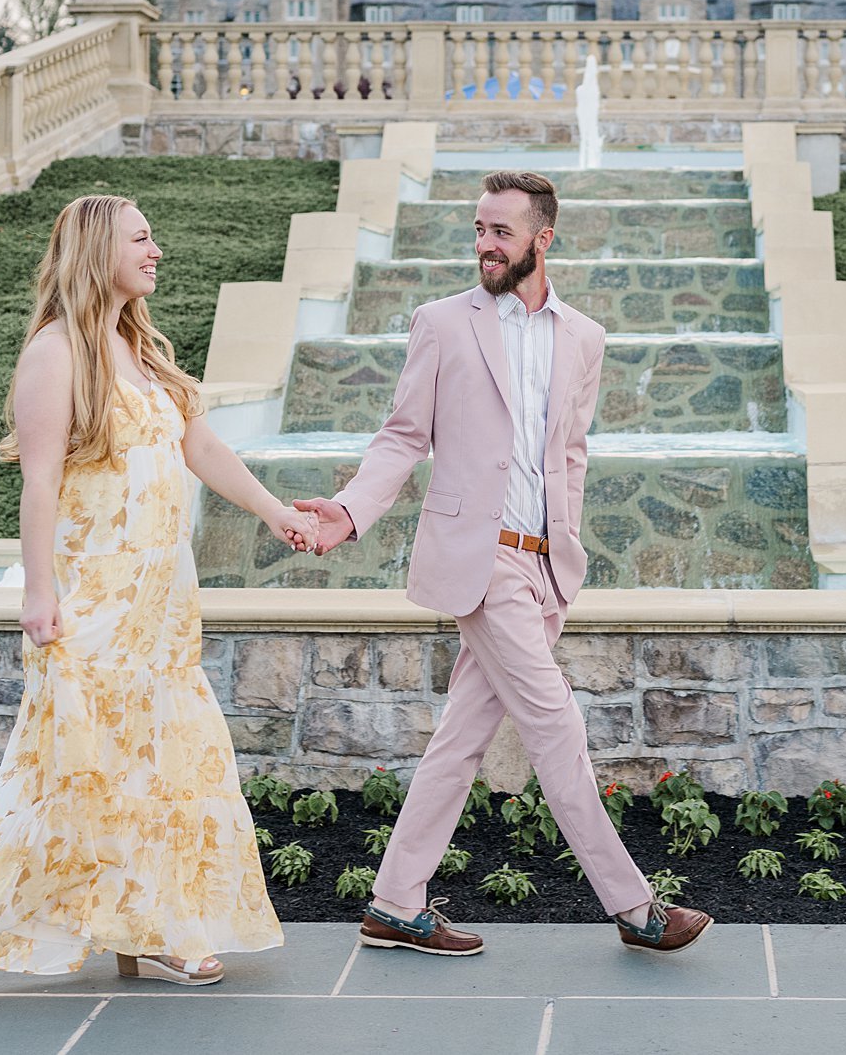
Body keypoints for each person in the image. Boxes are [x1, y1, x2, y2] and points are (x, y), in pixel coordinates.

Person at [0, 193, 313, 1000]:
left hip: (160, 608)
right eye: (142, 238)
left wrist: (277, 511)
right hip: (94, 604)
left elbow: (202, 446)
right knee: (66, 775)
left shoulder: (138, 347)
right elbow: (40, 481)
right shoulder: (55, 353)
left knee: (156, 770)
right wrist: (39, 592)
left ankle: (150, 930)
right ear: (96, 251)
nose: (157, 251)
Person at [296, 170, 712, 957]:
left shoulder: (583, 337)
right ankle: (634, 907)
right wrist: (349, 510)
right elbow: (400, 436)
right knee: (556, 725)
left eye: (501, 232)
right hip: (478, 561)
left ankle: (394, 900)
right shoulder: (442, 323)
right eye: (479, 230)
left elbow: (572, 453)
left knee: (460, 739)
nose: (485, 244)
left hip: (541, 566)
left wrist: (565, 552)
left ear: (541, 240)